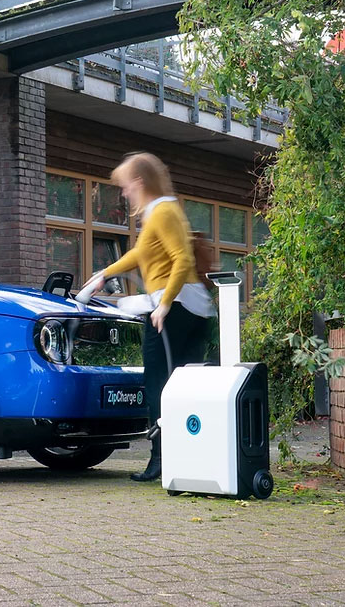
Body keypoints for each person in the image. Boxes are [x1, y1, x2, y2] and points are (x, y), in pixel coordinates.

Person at [83, 152, 214, 482]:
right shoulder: (162, 211)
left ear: (139, 183)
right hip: (189, 307)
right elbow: (142, 253)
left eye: (125, 186)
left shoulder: (163, 212)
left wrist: (164, 304)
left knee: (159, 383)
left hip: (177, 310)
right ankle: (182, 458)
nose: (124, 193)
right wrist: (104, 274)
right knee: (180, 385)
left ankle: (162, 460)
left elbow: (182, 260)